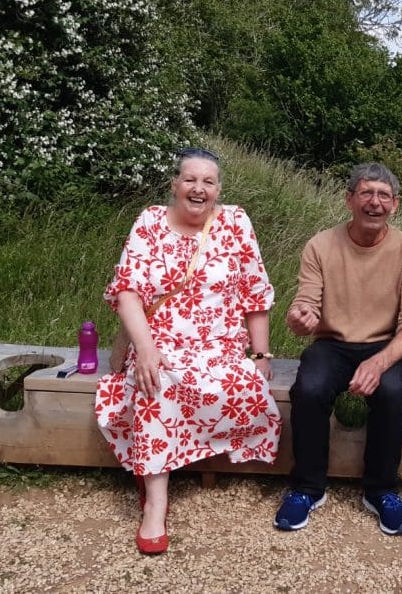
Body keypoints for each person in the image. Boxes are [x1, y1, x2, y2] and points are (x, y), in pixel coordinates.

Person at [95, 147, 283, 555]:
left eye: (208, 182)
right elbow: (127, 291)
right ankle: (155, 502)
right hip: (158, 341)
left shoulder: (235, 222)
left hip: (219, 344)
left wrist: (261, 355)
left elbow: (254, 292)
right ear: (175, 185)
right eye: (190, 180)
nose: (199, 189)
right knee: (155, 381)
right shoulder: (150, 222)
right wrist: (145, 348)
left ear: (218, 189)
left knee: (245, 387)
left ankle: (194, 456)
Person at [274, 162, 402, 536]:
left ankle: (381, 490)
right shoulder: (321, 245)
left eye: (384, 195)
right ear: (349, 200)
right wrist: (300, 317)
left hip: (386, 344)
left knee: (391, 391)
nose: (374, 202)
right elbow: (306, 302)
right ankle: (308, 487)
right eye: (366, 193)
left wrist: (379, 362)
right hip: (332, 343)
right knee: (309, 388)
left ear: (395, 204)